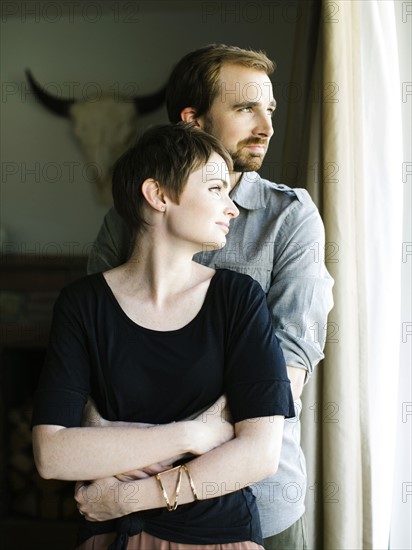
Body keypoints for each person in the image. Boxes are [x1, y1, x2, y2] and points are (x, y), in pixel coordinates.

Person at [84, 44, 334, 549]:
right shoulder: (129, 218)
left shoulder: (290, 216)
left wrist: (192, 438)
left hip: (258, 496)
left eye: (270, 110)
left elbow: (292, 359)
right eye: (245, 109)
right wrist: (111, 460)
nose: (265, 126)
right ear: (193, 121)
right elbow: (91, 345)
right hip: (130, 493)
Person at [32, 122, 295, 550]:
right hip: (110, 537)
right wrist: (192, 434)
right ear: (158, 195)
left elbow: (259, 454)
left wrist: (128, 496)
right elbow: (52, 454)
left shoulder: (237, 299)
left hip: (218, 534)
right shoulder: (82, 304)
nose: (231, 208)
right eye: (215, 190)